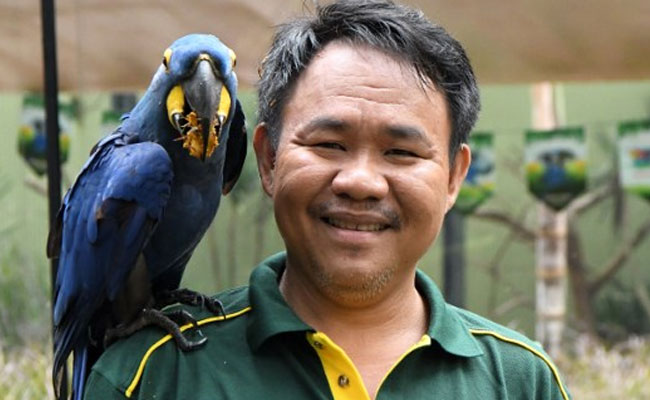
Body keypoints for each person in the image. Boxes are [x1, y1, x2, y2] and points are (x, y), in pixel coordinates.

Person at [84, 1, 571, 399]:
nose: (360, 182)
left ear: (453, 177)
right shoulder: (147, 376)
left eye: (401, 152)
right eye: (328, 145)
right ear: (269, 160)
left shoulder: (521, 382)